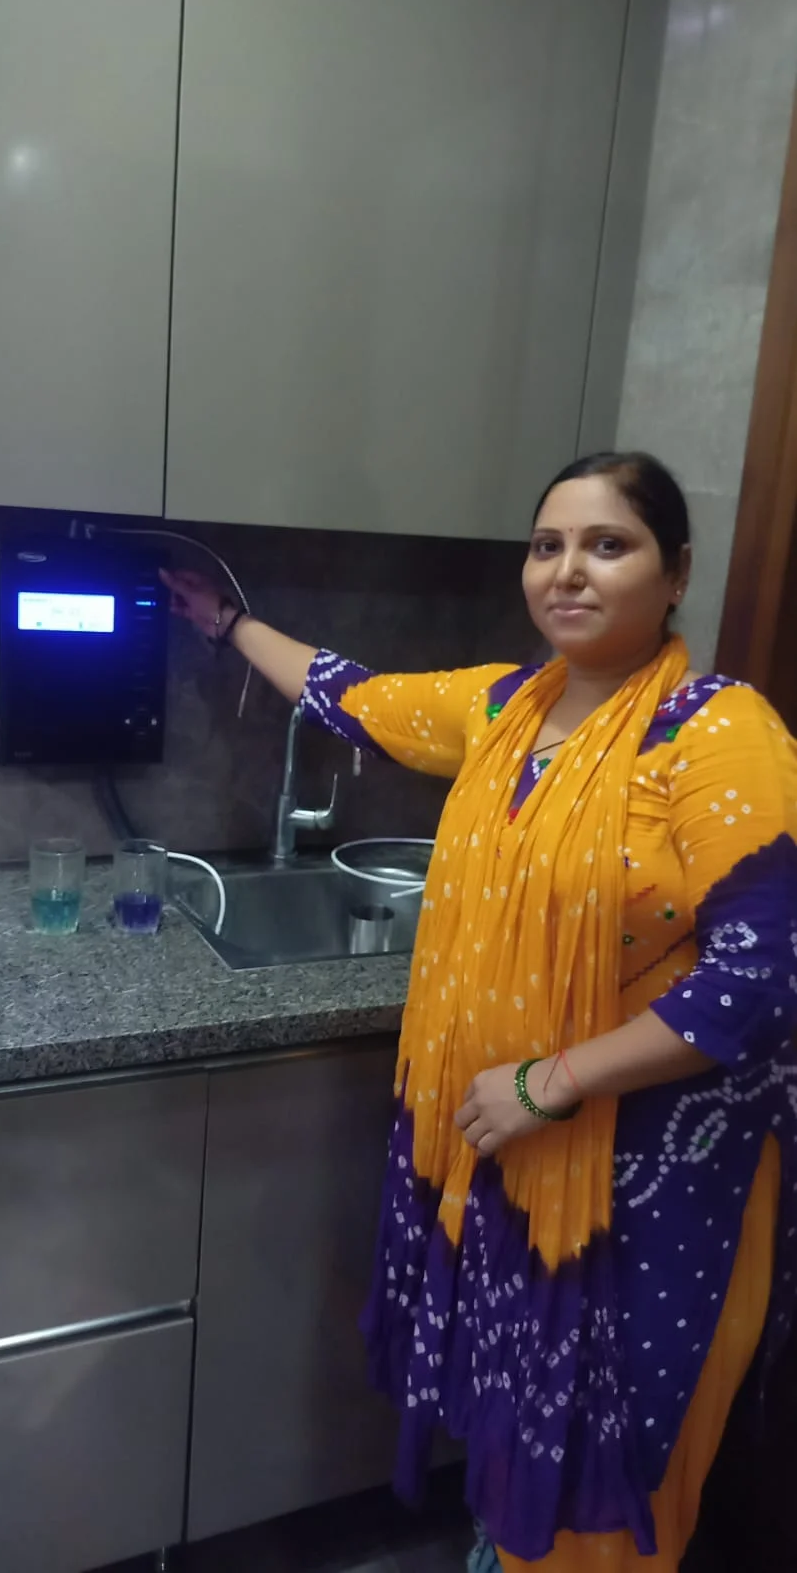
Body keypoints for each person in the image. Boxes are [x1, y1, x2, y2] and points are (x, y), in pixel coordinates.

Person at [162, 452, 797, 1572]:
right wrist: (225, 626)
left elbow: (763, 976)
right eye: (547, 545)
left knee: (608, 1482)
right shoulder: (507, 709)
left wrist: (546, 1085)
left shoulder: (715, 734)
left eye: (608, 545)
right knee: (525, 1458)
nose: (567, 572)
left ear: (674, 573)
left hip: (645, 1185)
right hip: (517, 1161)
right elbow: (352, 696)